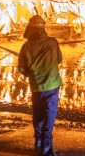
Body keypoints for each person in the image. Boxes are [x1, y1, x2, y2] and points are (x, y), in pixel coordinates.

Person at [18, 15, 63, 156]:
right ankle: (45, 151)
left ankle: (38, 146)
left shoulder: (26, 47)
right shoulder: (53, 42)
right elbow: (59, 60)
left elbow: (22, 70)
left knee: (38, 119)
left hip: (37, 89)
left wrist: (33, 71)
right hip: (52, 88)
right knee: (48, 121)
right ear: (43, 28)